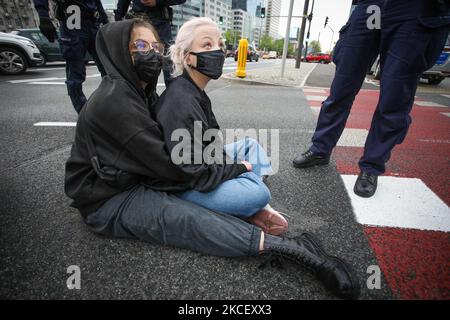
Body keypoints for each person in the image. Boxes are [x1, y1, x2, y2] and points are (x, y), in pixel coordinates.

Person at [64, 18, 360, 300]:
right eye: (140, 47)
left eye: (155, 47)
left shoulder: (137, 91)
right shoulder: (117, 102)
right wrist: (234, 170)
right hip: (110, 197)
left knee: (245, 156)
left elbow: (191, 152)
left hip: (147, 172)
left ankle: (245, 206)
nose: (152, 54)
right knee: (188, 221)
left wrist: (226, 168)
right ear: (117, 51)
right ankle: (291, 248)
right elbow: (177, 168)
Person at [293, 0, 450, 197]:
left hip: (414, 10)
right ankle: (320, 149)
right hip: (372, 7)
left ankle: (371, 166)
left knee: (394, 97)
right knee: (341, 88)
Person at [151, 17, 287, 236]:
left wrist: (232, 166)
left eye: (220, 45)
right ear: (188, 57)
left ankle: (249, 206)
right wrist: (239, 168)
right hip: (183, 185)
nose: (218, 52)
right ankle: (253, 206)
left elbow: (211, 146)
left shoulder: (194, 90)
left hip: (202, 163)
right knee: (259, 192)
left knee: (250, 145)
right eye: (207, 45)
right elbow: (196, 174)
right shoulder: (181, 102)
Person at [33, 0, 109, 113]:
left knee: (109, 70)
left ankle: (111, 105)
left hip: (93, 22)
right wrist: (43, 16)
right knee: (75, 78)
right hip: (72, 21)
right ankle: (84, 114)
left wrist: (105, 20)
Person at [115, 0, 186, 86]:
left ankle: (172, 95)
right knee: (141, 66)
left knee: (168, 65)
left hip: (160, 24)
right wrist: (118, 20)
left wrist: (157, 1)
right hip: (139, 21)